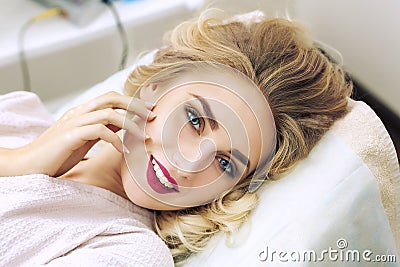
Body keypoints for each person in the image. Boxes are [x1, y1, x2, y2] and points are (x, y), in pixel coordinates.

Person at [0, 9, 352, 266]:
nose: (191, 163)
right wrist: (18, 161)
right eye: (196, 120)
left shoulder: (127, 251)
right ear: (153, 90)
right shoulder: (18, 115)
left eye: (225, 163)